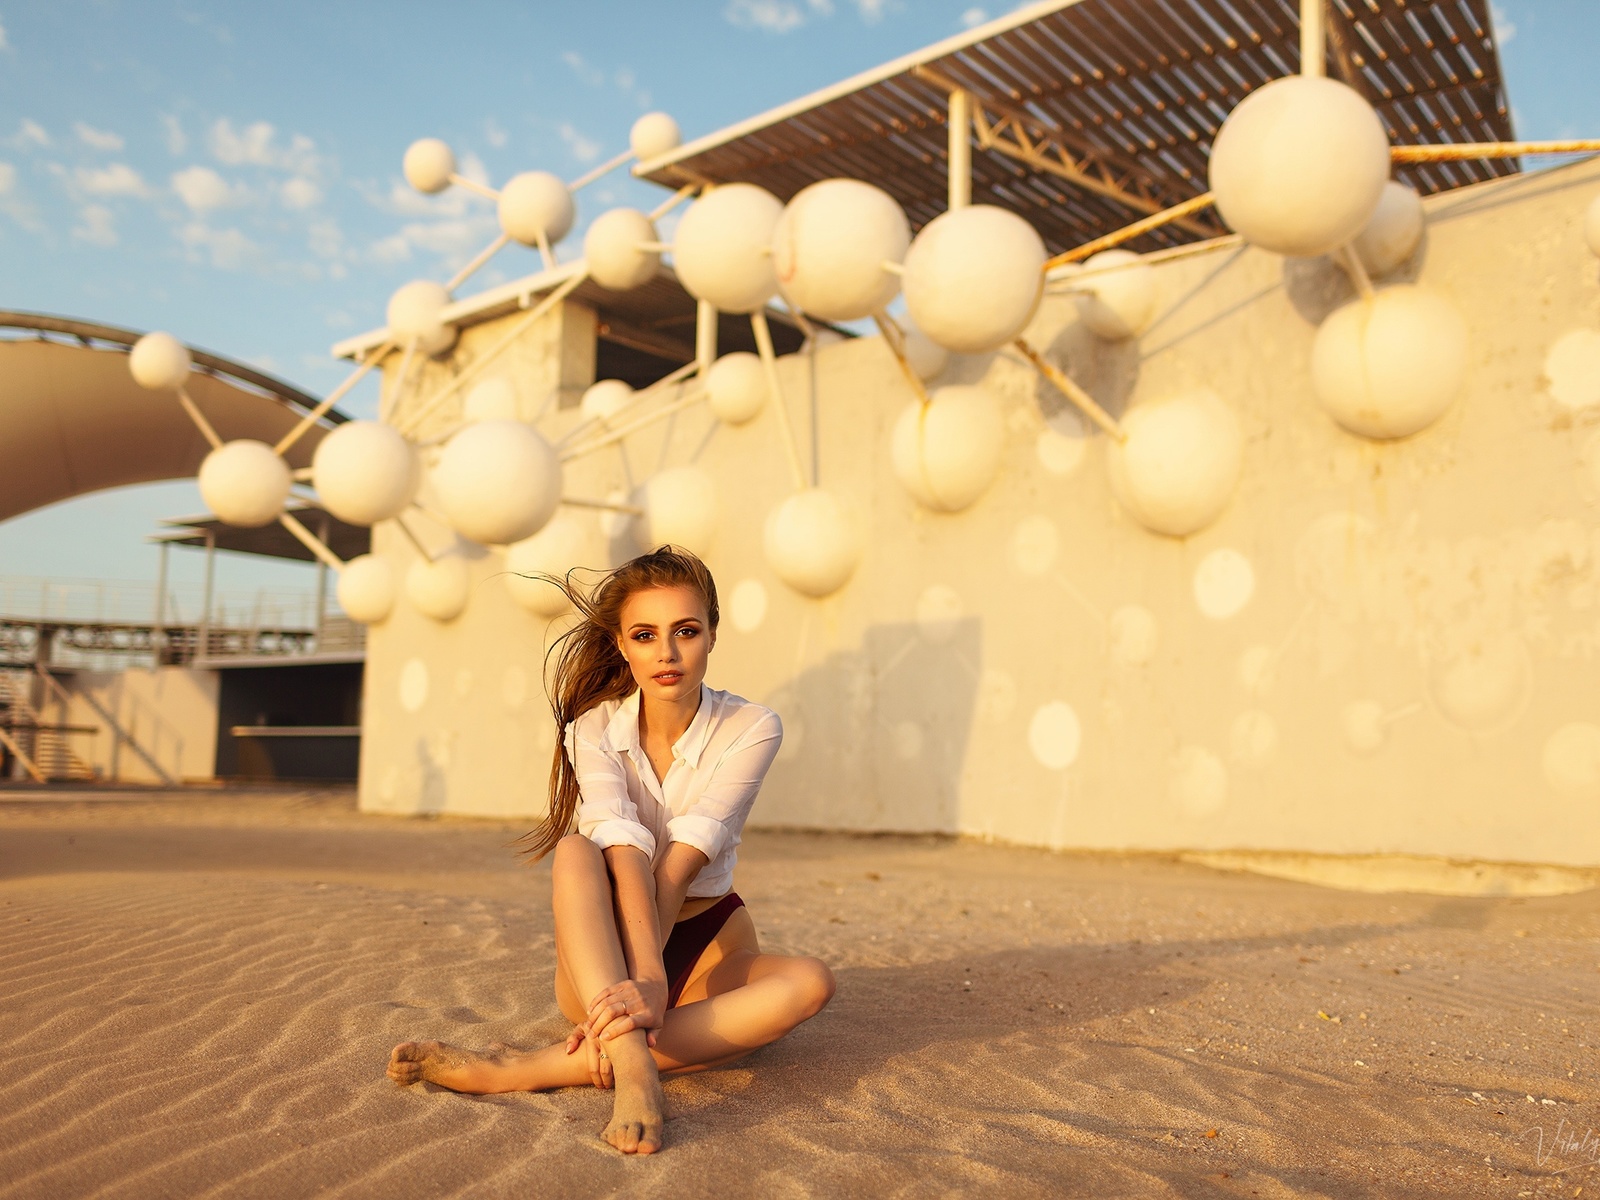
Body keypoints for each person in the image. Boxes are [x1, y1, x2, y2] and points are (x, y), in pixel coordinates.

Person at [386, 546, 835, 1154]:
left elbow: (686, 853)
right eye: (646, 635)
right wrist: (641, 971)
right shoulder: (592, 729)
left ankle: (538, 1067)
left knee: (811, 983)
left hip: (708, 942)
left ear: (711, 635)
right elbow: (622, 842)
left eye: (686, 631)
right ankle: (636, 1072)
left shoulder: (753, 726)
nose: (667, 653)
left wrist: (656, 981)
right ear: (623, 646)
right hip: (605, 957)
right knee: (577, 849)